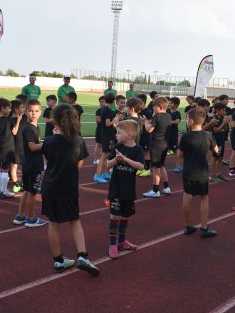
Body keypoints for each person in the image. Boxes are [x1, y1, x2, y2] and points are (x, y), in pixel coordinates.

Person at [41, 104, 100, 275]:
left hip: (50, 186)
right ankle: (82, 255)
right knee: (75, 220)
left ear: (56, 121)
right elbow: (79, 164)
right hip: (68, 186)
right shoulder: (78, 140)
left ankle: (58, 261)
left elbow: (48, 160)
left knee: (53, 223)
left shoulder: (49, 140)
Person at [106, 120, 145, 258]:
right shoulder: (117, 147)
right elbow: (107, 165)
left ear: (130, 134)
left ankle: (121, 241)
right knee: (114, 215)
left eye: (119, 132)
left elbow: (141, 166)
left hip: (128, 189)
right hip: (115, 188)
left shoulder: (138, 149)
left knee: (125, 215)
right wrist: (116, 159)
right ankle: (112, 244)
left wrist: (125, 160)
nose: (116, 135)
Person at [178, 108, 218, 238]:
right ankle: (204, 228)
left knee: (187, 197)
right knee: (204, 199)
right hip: (202, 172)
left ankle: (187, 225)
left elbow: (179, 155)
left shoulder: (186, 136)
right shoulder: (208, 135)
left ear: (190, 121)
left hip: (189, 171)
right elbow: (216, 150)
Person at [13, 100, 47, 228]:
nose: (33, 113)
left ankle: (20, 216)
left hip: (30, 163)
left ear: (40, 112)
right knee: (32, 192)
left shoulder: (34, 127)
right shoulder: (28, 128)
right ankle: (31, 218)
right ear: (25, 111)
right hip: (33, 165)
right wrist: (48, 143)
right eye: (30, 110)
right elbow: (32, 147)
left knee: (27, 191)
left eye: (36, 111)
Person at [142, 97, 172, 198]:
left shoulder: (157, 116)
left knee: (155, 168)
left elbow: (149, 130)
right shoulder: (168, 116)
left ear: (160, 106)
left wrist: (146, 122)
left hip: (156, 145)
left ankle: (155, 190)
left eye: (154, 106)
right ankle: (167, 187)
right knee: (162, 166)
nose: (153, 108)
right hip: (164, 144)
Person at [0, 98, 19, 198]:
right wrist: (18, 120)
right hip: (8, 146)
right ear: (3, 108)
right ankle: (4, 191)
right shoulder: (9, 119)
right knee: (5, 169)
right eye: (8, 108)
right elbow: (14, 132)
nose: (10, 110)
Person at [94, 92, 120, 183]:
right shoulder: (107, 110)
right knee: (104, 156)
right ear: (113, 101)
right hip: (107, 135)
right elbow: (107, 124)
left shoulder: (104, 109)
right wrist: (115, 120)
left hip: (106, 134)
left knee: (106, 155)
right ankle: (97, 174)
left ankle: (104, 173)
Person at [208, 102, 231, 182]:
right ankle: (212, 175)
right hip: (216, 141)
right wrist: (224, 122)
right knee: (215, 157)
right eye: (223, 110)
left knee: (221, 158)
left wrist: (226, 122)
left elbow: (224, 129)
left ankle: (219, 174)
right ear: (217, 110)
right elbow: (216, 130)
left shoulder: (222, 117)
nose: (224, 112)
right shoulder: (214, 119)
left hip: (221, 140)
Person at [9, 99, 27, 193]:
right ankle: (16, 184)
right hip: (15, 146)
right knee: (14, 166)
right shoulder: (11, 119)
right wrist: (18, 121)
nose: (23, 109)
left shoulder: (24, 118)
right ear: (16, 109)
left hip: (24, 146)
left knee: (25, 166)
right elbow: (14, 132)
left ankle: (24, 183)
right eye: (21, 107)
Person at [167, 97, 182, 169]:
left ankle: (178, 165)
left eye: (171, 103)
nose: (169, 104)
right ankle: (160, 164)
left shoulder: (177, 113)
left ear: (176, 105)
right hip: (165, 134)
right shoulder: (167, 111)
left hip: (173, 134)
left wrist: (169, 122)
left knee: (175, 150)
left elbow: (177, 121)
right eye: (169, 102)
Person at [93, 96, 106, 165]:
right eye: (100, 101)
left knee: (105, 146)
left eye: (103, 101)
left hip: (105, 130)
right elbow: (98, 120)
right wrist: (106, 120)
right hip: (100, 130)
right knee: (98, 145)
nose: (101, 103)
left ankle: (102, 159)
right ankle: (95, 160)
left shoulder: (107, 109)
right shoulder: (99, 110)